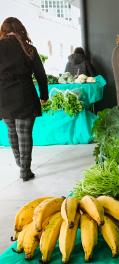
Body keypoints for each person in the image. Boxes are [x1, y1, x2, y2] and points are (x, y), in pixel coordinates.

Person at [0, 17, 48, 181]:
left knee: (12, 131)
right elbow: (41, 76)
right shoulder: (29, 49)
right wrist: (44, 95)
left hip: (4, 97)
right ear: (21, 29)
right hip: (25, 95)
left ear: (3, 30)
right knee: (24, 133)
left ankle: (20, 163)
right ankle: (25, 171)